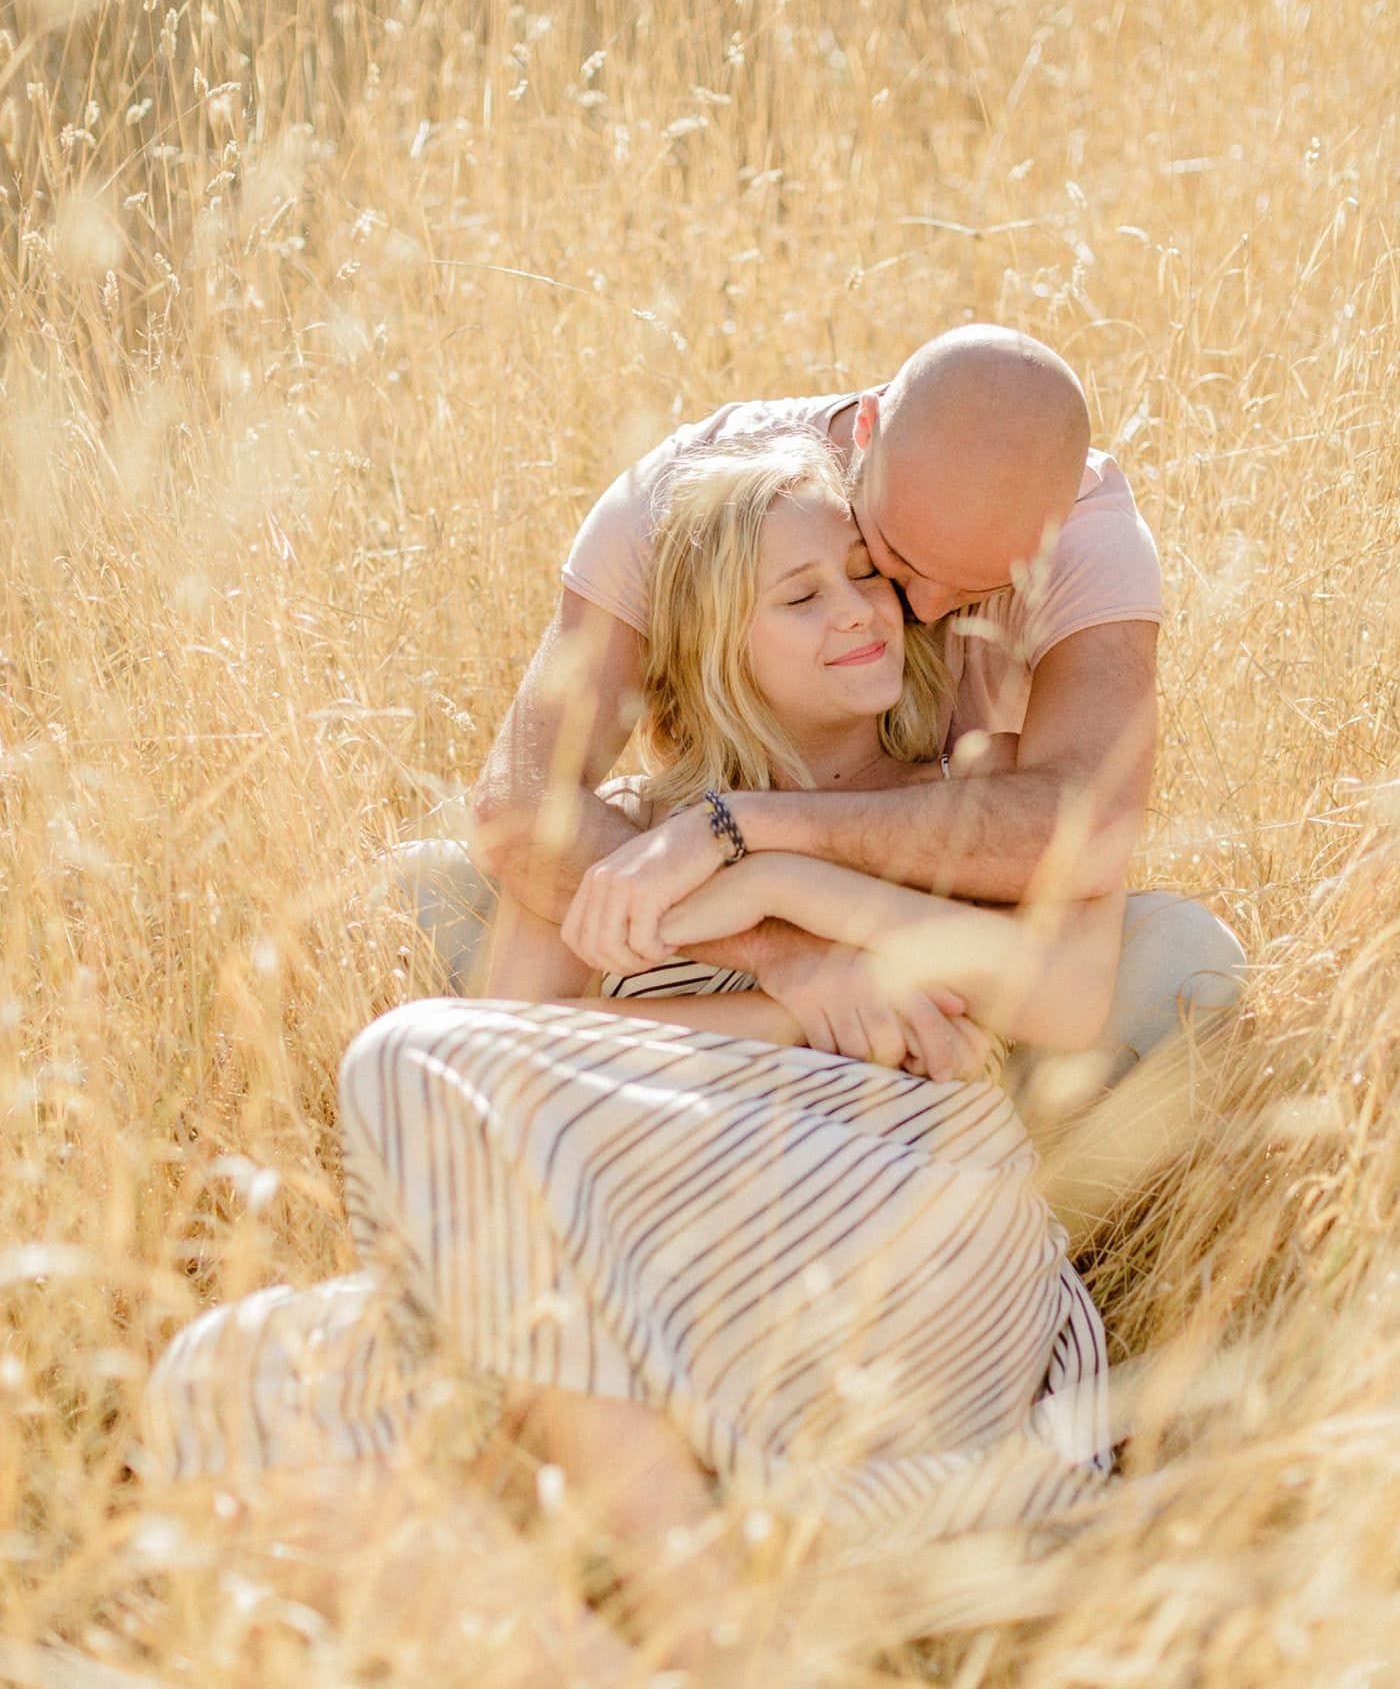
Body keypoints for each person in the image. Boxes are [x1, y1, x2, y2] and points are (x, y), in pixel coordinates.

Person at [143, 432, 1114, 1671]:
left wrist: (774, 872)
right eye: (800, 596)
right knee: (222, 1372)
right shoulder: (627, 842)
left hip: (906, 1222)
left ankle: (698, 1626)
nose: (861, 612)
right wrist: (788, 992)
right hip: (655, 1264)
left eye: (863, 576)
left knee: (396, 1054)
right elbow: (502, 1055)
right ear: (713, 643)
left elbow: (1040, 1002)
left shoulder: (949, 801)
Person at [403, 323, 1245, 1233]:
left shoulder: (1064, 595)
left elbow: (1088, 849)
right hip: (685, 1157)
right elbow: (521, 818)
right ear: (869, 436)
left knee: (1183, 961)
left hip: (914, 1118)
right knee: (418, 911)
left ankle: (1063, 1232)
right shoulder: (677, 502)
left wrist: (754, 846)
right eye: (891, 564)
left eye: (970, 587)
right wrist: (793, 967)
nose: (913, 612)